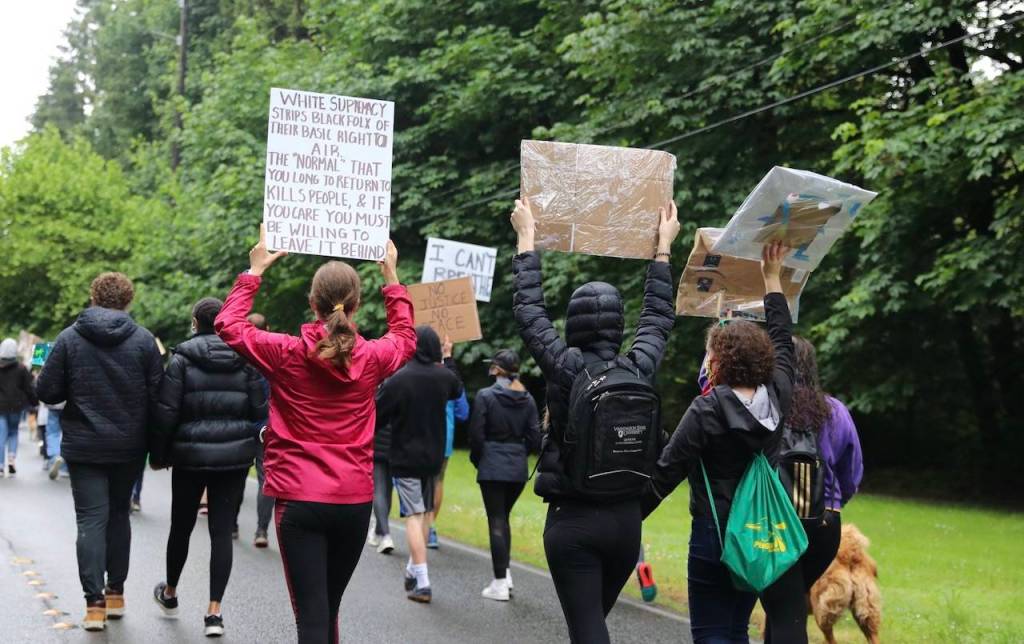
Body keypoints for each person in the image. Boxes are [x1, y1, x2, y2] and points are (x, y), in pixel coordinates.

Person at [215, 227, 416, 643]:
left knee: (311, 618)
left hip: (299, 500)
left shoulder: (286, 353)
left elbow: (228, 325)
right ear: (357, 303)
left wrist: (254, 272)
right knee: (327, 612)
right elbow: (405, 339)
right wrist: (392, 279)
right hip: (354, 501)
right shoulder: (373, 357)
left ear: (312, 303)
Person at [511, 197, 679, 643]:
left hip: (575, 521)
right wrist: (662, 249)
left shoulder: (565, 367)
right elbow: (659, 318)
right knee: (590, 628)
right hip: (627, 523)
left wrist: (526, 239)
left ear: (575, 323)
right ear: (618, 324)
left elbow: (530, 314)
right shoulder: (639, 367)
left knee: (587, 633)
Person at [642, 241, 807, 644]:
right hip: (757, 530)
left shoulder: (707, 410)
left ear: (717, 363)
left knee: (713, 633)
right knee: (737, 628)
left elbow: (667, 471)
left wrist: (627, 515)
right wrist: (772, 279)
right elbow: (784, 341)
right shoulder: (779, 394)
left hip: (714, 534)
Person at [35, 272, 163, 632]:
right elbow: (159, 398)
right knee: (119, 516)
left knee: (91, 521)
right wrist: (158, 445)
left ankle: (93, 606)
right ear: (128, 300)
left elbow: (46, 391)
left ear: (93, 297)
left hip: (84, 444)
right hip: (128, 446)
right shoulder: (142, 342)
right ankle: (116, 593)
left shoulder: (69, 339)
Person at [150, 297, 268, 638]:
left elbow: (166, 413)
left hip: (189, 457)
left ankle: (170, 591)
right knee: (221, 532)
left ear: (195, 322)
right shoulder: (247, 361)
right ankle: (214, 612)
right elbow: (259, 411)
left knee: (181, 527)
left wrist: (159, 455)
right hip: (233, 459)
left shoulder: (182, 360)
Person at [761, 336, 864, 643]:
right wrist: (830, 502)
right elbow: (851, 474)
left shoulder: (766, 406)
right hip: (824, 526)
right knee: (784, 605)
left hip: (777, 523)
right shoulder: (835, 410)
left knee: (785, 609)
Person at [376, 326, 463, 603]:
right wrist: (448, 358)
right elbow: (457, 388)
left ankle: (422, 581)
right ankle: (414, 569)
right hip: (434, 456)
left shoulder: (399, 380)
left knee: (413, 516)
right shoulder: (442, 377)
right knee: (425, 514)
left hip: (405, 457)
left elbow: (377, 416)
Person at [469, 349, 541, 601]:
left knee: (496, 521)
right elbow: (535, 439)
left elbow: (476, 436)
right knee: (503, 518)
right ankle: (506, 574)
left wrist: (479, 461)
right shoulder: (529, 399)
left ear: (496, 370)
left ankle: (499, 582)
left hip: (492, 466)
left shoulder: (485, 396)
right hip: (516, 469)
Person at [245, 312, 275, 548]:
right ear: (268, 328)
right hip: (266, 427)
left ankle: (231, 525)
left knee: (234, 475)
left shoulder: (238, 354)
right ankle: (261, 530)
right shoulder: (275, 355)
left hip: (239, 426)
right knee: (265, 478)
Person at [428, 388, 470, 549]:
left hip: (422, 436)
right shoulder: (453, 379)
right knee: (438, 480)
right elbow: (463, 413)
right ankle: (431, 528)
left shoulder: (421, 370)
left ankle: (421, 525)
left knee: (421, 480)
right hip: (445, 436)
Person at [1, 337, 38, 476]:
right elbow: (29, 388)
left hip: (0, 407)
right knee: (13, 433)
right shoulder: (22, 369)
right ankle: (11, 459)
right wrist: (34, 402)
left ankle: (0, 465)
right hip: (16, 407)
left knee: (1, 436)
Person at [367, 393, 396, 555]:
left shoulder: (379, 386)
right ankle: (379, 531)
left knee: (379, 489)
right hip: (396, 443)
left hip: (378, 441)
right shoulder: (402, 382)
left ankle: (385, 534)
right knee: (388, 490)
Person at [45, 400, 69, 480]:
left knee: (53, 434)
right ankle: (66, 467)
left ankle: (55, 457)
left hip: (54, 403)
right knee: (69, 434)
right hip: (71, 404)